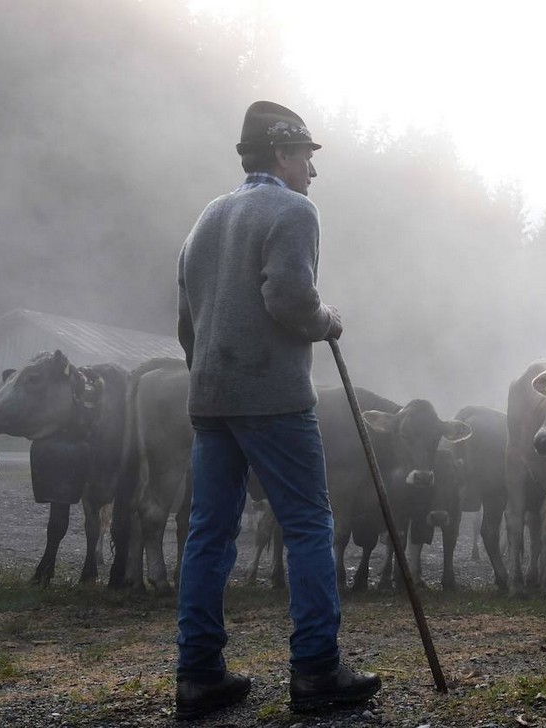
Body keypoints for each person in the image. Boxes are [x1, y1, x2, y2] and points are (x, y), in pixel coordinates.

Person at [173, 100, 380, 721]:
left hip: (211, 398)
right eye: (308, 157)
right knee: (309, 523)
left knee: (209, 532)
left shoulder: (205, 219)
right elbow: (291, 299)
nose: (313, 172)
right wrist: (328, 320)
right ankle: (316, 670)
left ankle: (199, 674)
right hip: (274, 398)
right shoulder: (293, 210)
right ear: (283, 154)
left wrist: (210, 376)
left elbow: (187, 322)